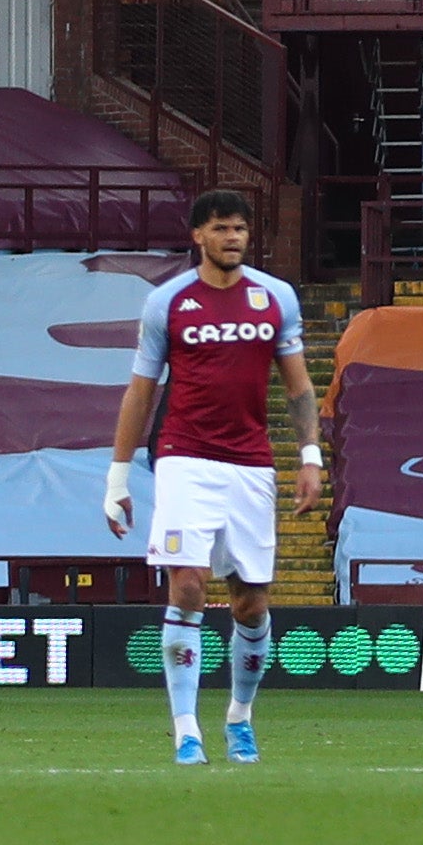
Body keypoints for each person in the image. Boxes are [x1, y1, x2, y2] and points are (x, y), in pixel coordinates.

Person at [104, 190, 324, 765]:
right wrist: (117, 478)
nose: (234, 238)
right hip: (184, 457)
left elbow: (299, 388)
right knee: (188, 586)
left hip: (251, 461)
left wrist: (310, 456)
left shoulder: (275, 298)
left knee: (251, 603)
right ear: (198, 235)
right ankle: (185, 731)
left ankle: (239, 719)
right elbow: (140, 392)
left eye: (241, 230)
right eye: (222, 229)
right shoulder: (167, 302)